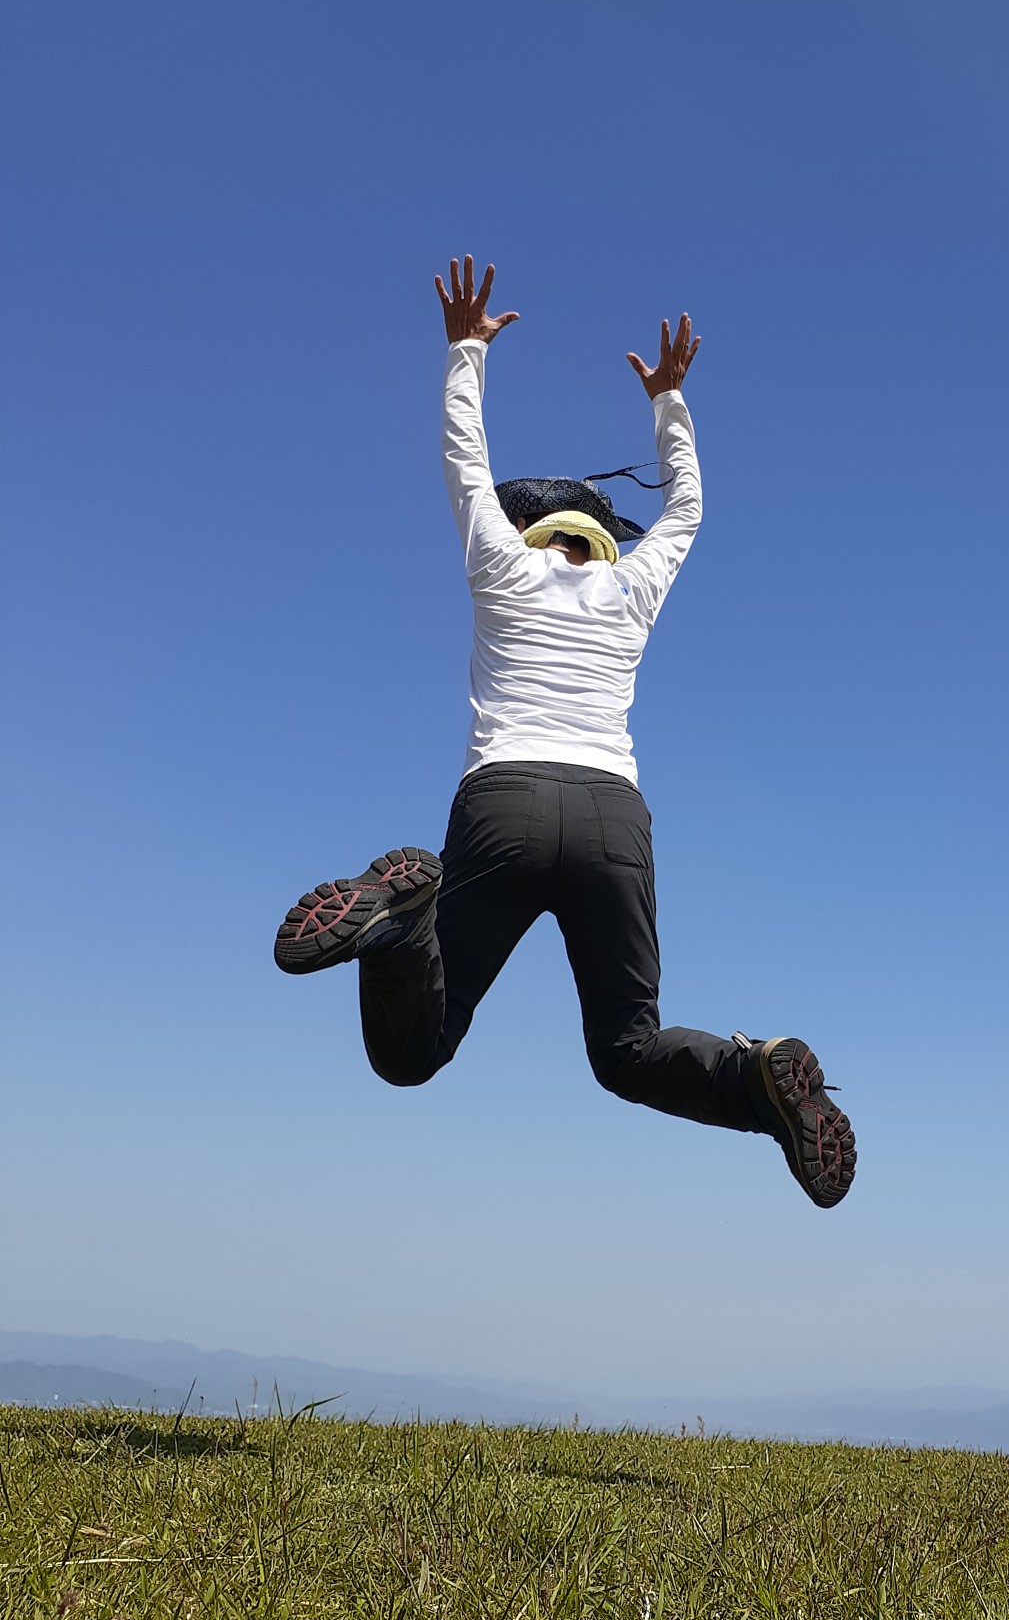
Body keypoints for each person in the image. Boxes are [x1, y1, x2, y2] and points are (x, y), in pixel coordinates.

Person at [272, 255, 856, 1209]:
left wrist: (466, 351)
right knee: (628, 1049)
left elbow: (465, 461)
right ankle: (759, 1080)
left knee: (415, 1051)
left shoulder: (500, 565)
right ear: (601, 540)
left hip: (502, 801)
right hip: (612, 821)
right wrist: (671, 405)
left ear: (531, 530)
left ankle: (400, 924)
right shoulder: (630, 590)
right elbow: (691, 510)